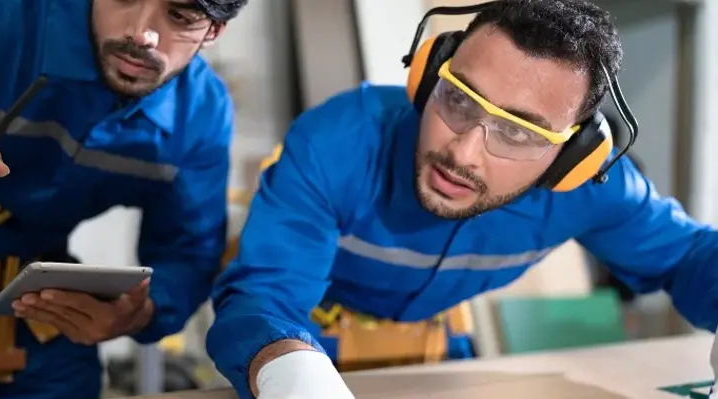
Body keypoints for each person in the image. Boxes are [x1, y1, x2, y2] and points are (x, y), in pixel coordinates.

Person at [206, 1, 718, 398]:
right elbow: (264, 295)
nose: (463, 152)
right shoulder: (337, 142)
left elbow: (691, 256)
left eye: (519, 133)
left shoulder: (593, 189)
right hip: (309, 330)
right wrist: (291, 372)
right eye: (458, 98)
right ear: (427, 74)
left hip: (439, 337)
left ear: (574, 157)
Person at [0, 0, 246, 398]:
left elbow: (187, 253)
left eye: (179, 16)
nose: (142, 35)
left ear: (213, 31)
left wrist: (140, 311)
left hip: (29, 314)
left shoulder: (199, 117)